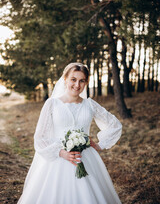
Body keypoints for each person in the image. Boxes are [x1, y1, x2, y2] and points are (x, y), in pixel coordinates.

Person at [18, 62, 122, 204]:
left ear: (86, 83)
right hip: (57, 160)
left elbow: (114, 125)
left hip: (85, 158)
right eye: (73, 79)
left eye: (82, 81)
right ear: (65, 79)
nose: (77, 85)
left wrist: (99, 145)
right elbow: (40, 137)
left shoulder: (90, 104)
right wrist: (61, 153)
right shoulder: (52, 104)